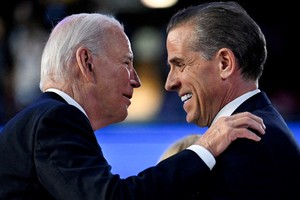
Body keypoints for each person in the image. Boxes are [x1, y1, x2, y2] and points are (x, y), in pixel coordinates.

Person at [0, 13, 266, 200]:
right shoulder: (55, 119)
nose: (137, 80)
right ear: (87, 63)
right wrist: (206, 147)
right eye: (127, 63)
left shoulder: (43, 118)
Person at [164, 1, 300, 200]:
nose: (170, 83)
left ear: (224, 63)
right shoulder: (258, 131)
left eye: (180, 64)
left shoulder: (248, 143)